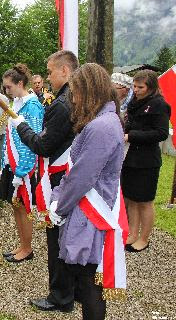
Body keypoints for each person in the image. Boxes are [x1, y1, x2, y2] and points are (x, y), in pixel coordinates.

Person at [49, 62, 127, 320]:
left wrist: (58, 206)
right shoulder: (104, 121)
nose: (74, 98)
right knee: (86, 282)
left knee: (88, 284)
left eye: (77, 91)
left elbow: (82, 177)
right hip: (87, 210)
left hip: (90, 214)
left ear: (89, 90)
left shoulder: (101, 126)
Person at [11, 50, 79, 312]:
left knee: (57, 236)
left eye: (50, 71)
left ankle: (60, 296)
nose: (47, 77)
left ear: (64, 70)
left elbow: (44, 145)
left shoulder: (62, 104)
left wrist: (21, 126)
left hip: (60, 177)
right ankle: (73, 289)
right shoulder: (74, 96)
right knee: (68, 235)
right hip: (70, 174)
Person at [0, 64, 44, 263]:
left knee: (24, 206)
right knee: (15, 205)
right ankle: (22, 244)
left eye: (9, 87)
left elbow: (32, 140)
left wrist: (22, 170)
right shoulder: (16, 103)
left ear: (20, 83)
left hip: (23, 166)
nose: (5, 91)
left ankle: (27, 248)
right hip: (12, 162)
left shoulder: (32, 105)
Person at [122, 69, 171, 252]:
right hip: (130, 158)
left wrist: (131, 136)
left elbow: (161, 133)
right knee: (131, 199)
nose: (135, 90)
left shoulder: (159, 105)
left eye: (140, 87)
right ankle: (133, 234)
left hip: (146, 161)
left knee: (145, 201)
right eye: (134, 86)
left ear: (151, 87)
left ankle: (144, 238)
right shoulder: (135, 102)